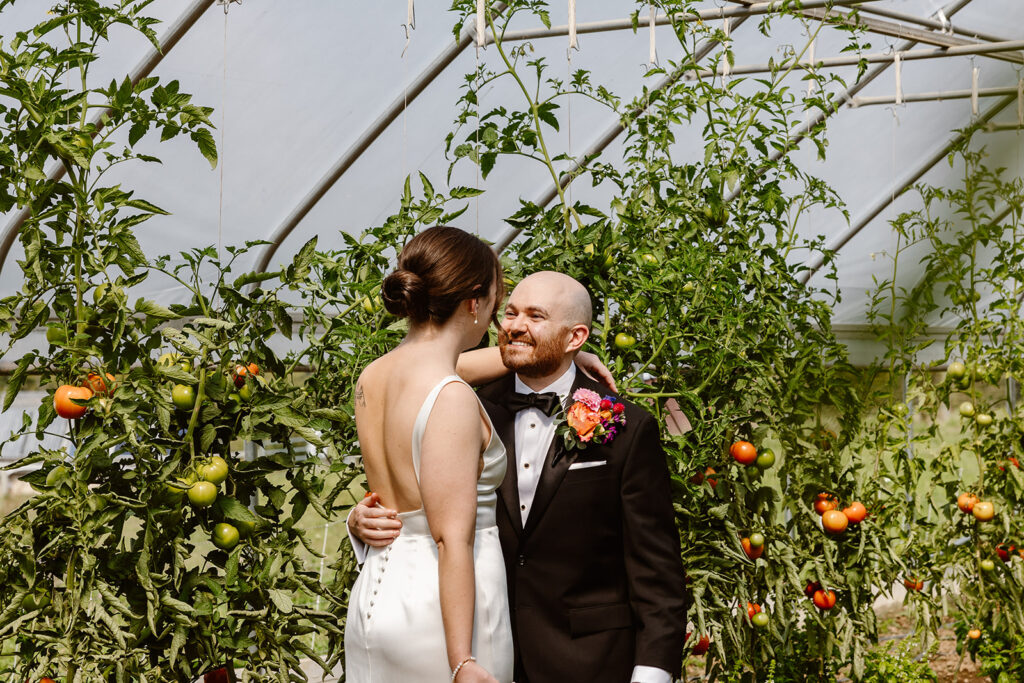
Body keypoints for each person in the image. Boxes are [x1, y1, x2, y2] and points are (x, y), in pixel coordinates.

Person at [350, 271, 688, 683]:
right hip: (482, 642)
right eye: (509, 312)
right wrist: (363, 517)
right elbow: (425, 484)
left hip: (590, 661)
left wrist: (652, 673)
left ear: (575, 336)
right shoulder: (464, 404)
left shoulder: (628, 427)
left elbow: (657, 570)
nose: (514, 325)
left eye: (536, 316)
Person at [344, 226, 513, 683]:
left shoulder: (372, 376)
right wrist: (461, 660)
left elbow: (459, 364)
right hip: (444, 613)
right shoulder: (451, 397)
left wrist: (565, 356)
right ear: (475, 303)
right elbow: (451, 539)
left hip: (375, 599)